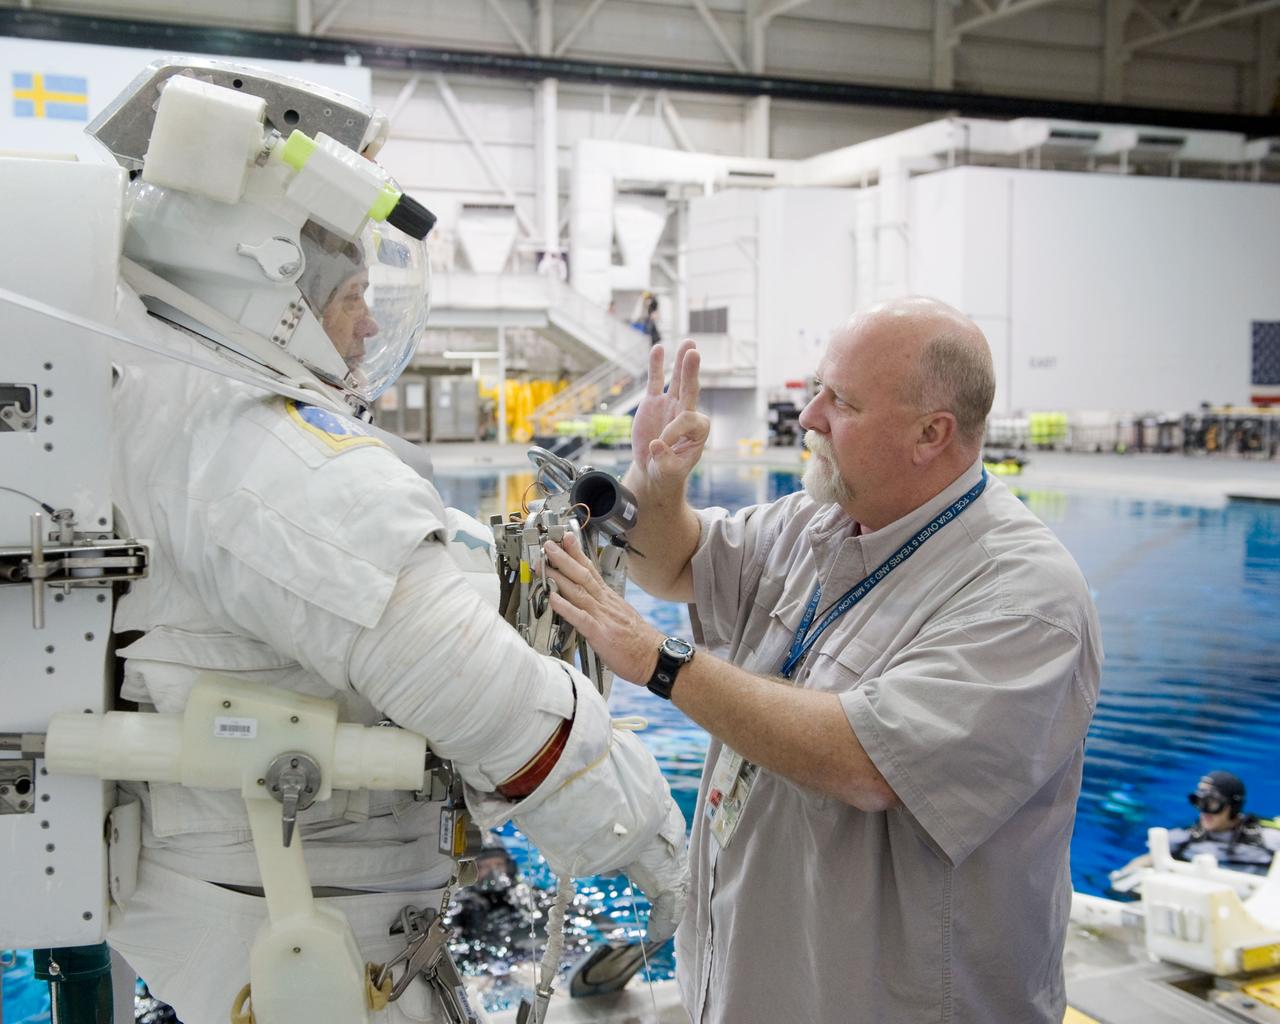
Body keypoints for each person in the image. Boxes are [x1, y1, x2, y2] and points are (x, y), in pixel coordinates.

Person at [80, 59, 686, 1024]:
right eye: (350, 291)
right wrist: (664, 855)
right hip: (307, 954)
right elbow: (483, 694)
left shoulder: (164, 414)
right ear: (265, 273)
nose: (365, 325)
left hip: (267, 928)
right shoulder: (265, 454)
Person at [543, 297, 1103, 1023]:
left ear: (931, 433)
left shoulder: (1024, 599)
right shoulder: (821, 521)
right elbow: (674, 562)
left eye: (841, 401)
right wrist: (657, 482)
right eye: (818, 389)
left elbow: (864, 762)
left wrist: (661, 662)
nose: (808, 417)